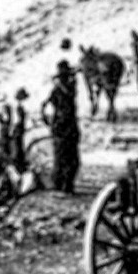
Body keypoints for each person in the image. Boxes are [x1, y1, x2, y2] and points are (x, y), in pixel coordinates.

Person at [42, 61, 82, 194]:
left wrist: (47, 120)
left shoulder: (65, 88)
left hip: (63, 126)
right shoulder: (66, 88)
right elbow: (45, 105)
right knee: (66, 157)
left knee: (65, 157)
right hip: (64, 126)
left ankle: (63, 185)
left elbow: (44, 105)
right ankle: (63, 185)